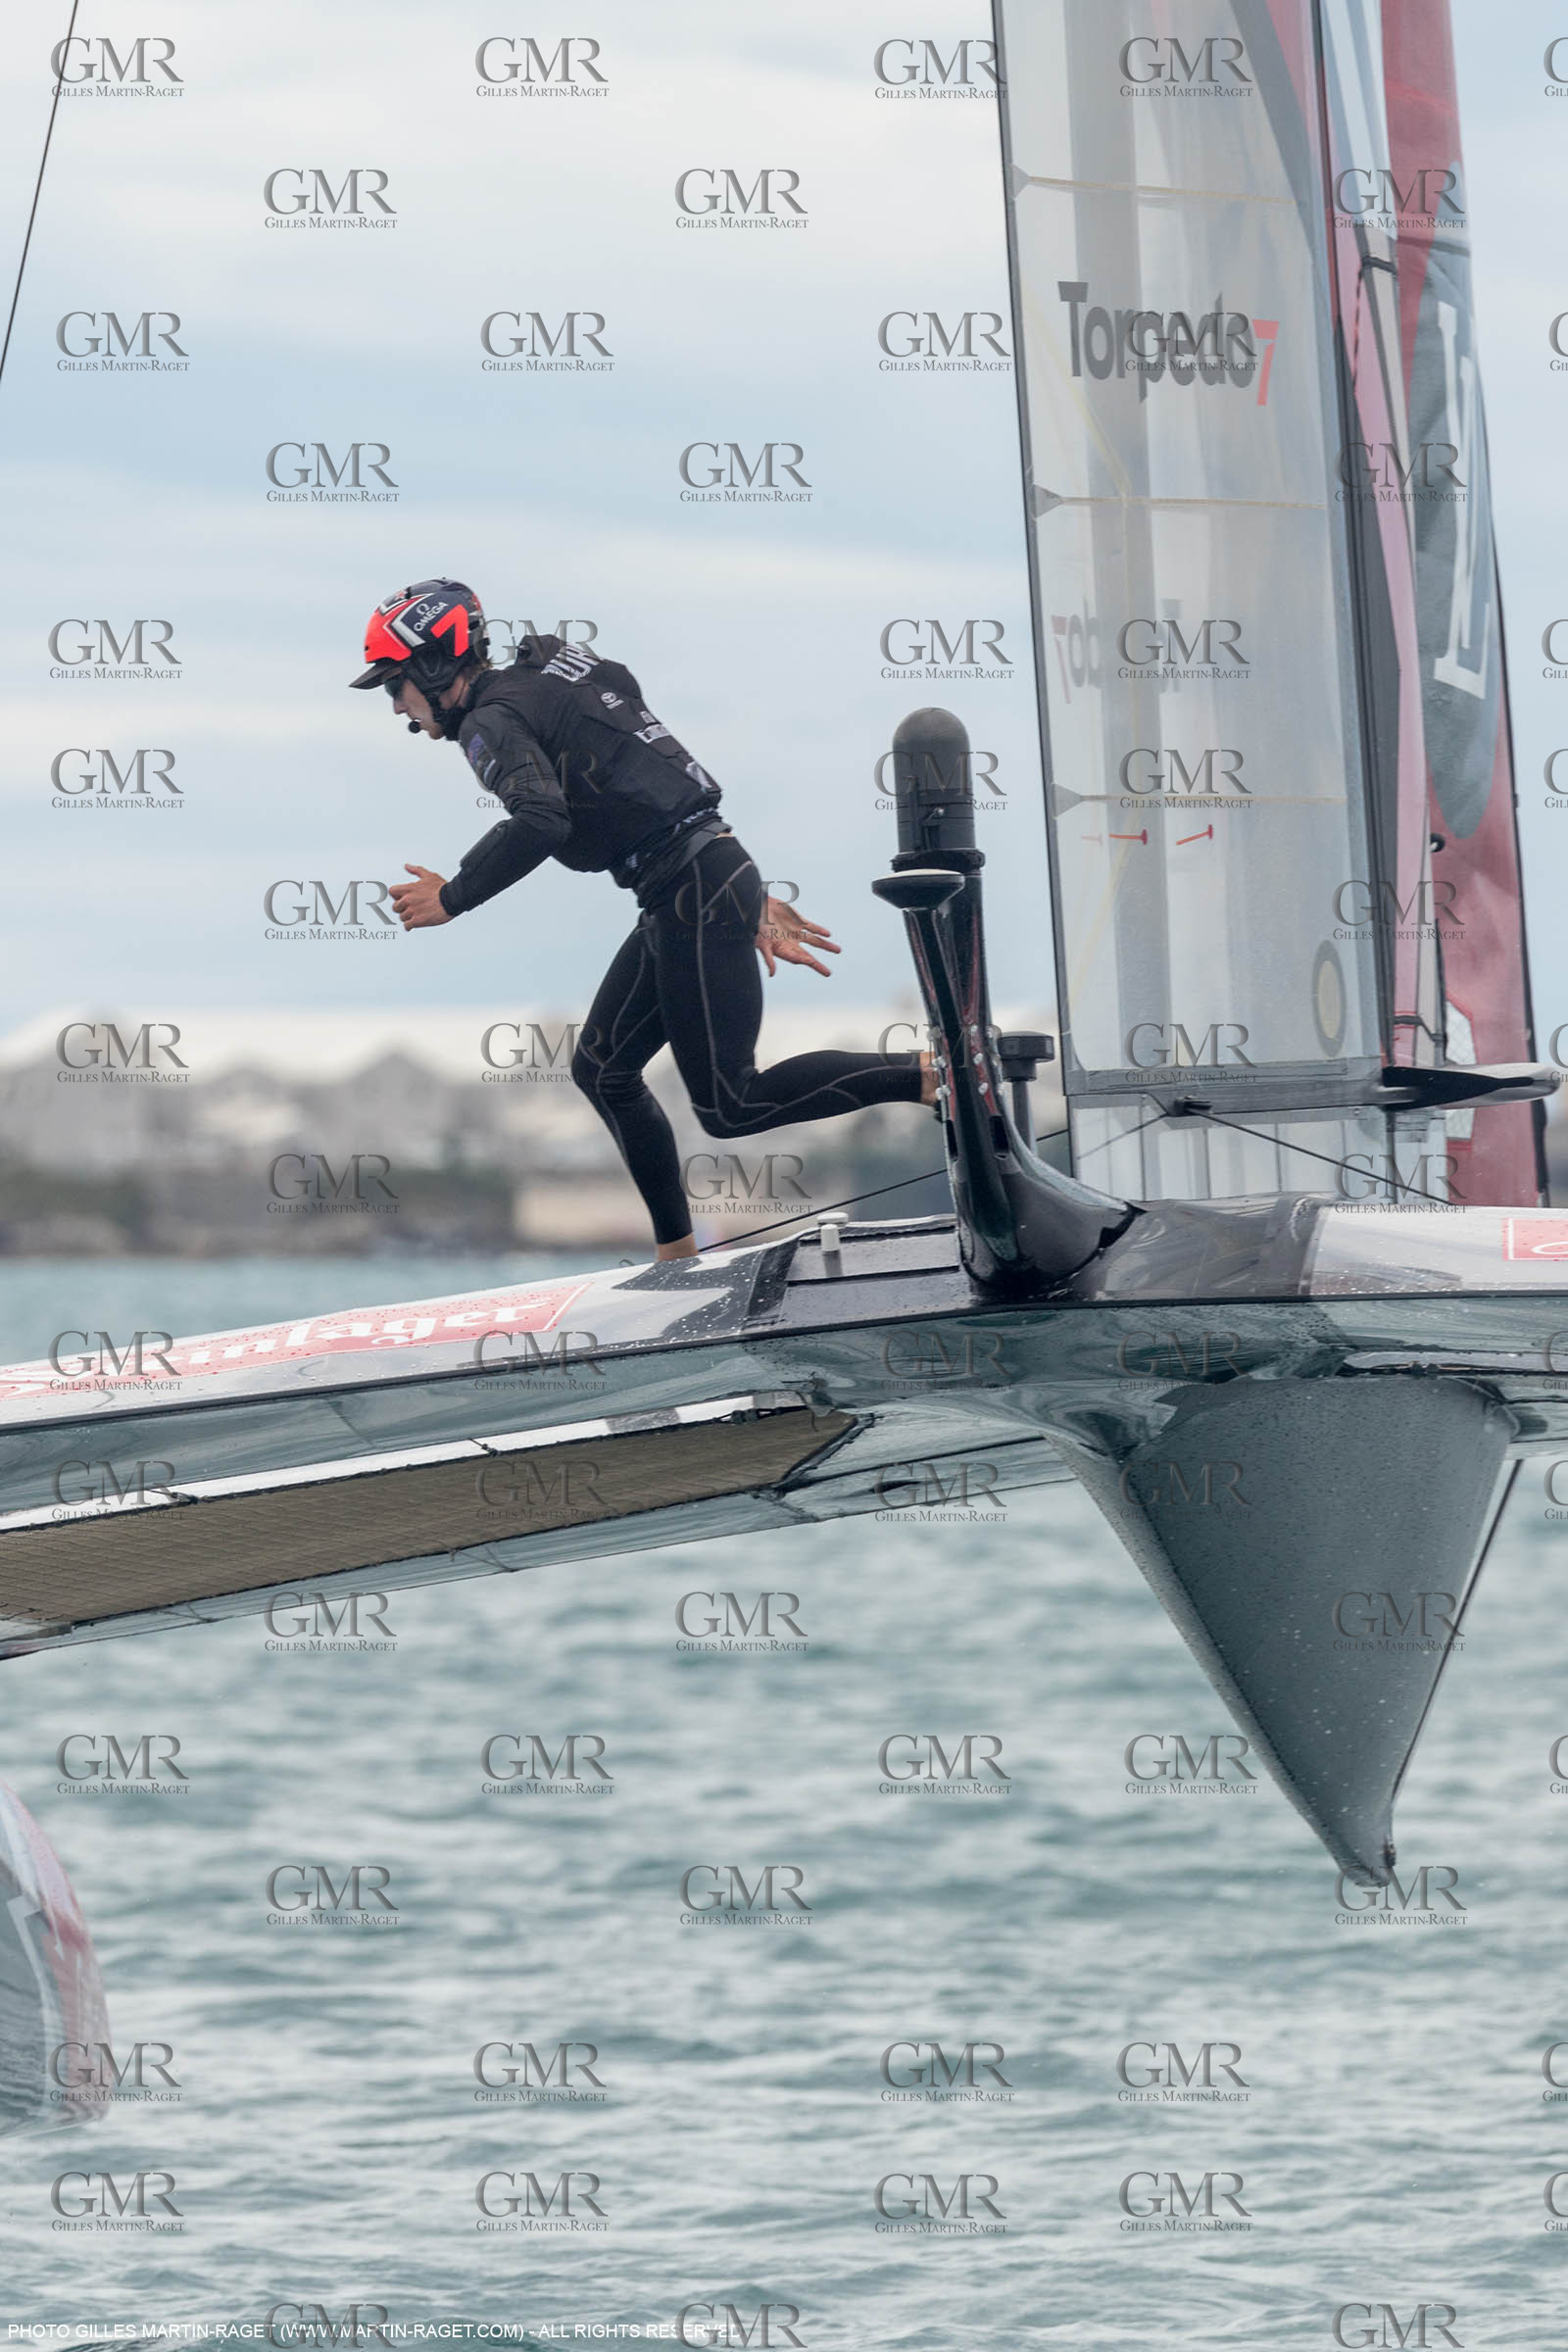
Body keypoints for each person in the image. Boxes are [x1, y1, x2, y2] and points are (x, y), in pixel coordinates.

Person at [351, 578, 932, 1259]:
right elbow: (631, 730)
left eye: (396, 685)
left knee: (730, 1104)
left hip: (693, 879)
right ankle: (677, 1256)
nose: (396, 706)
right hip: (696, 876)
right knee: (603, 1070)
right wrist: (736, 890)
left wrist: (454, 897)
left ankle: (930, 1076)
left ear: (432, 663)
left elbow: (540, 819)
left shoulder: (489, 722)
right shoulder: (554, 666)